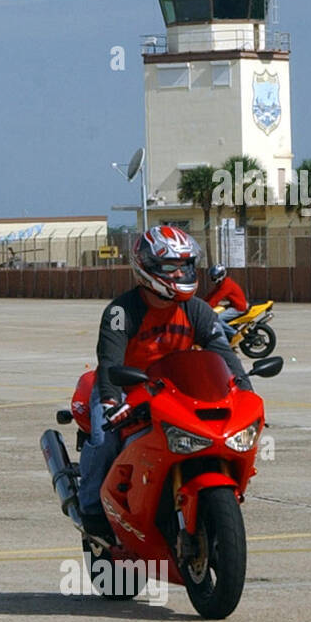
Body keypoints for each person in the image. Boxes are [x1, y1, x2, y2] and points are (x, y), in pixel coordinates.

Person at [77, 226, 252, 539]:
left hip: (173, 392)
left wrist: (245, 392)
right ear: (147, 269)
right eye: (172, 266)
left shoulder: (197, 310)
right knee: (104, 439)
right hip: (126, 391)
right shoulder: (121, 311)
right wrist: (109, 401)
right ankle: (90, 511)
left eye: (186, 265)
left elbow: (223, 355)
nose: (182, 273)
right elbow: (109, 362)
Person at [204, 264, 249, 340]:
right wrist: (200, 302)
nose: (212, 278)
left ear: (220, 275)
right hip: (233, 305)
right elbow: (212, 294)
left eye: (214, 276)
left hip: (238, 308)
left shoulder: (227, 285)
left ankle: (234, 334)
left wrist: (205, 308)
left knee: (216, 318)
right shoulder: (222, 284)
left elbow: (216, 299)